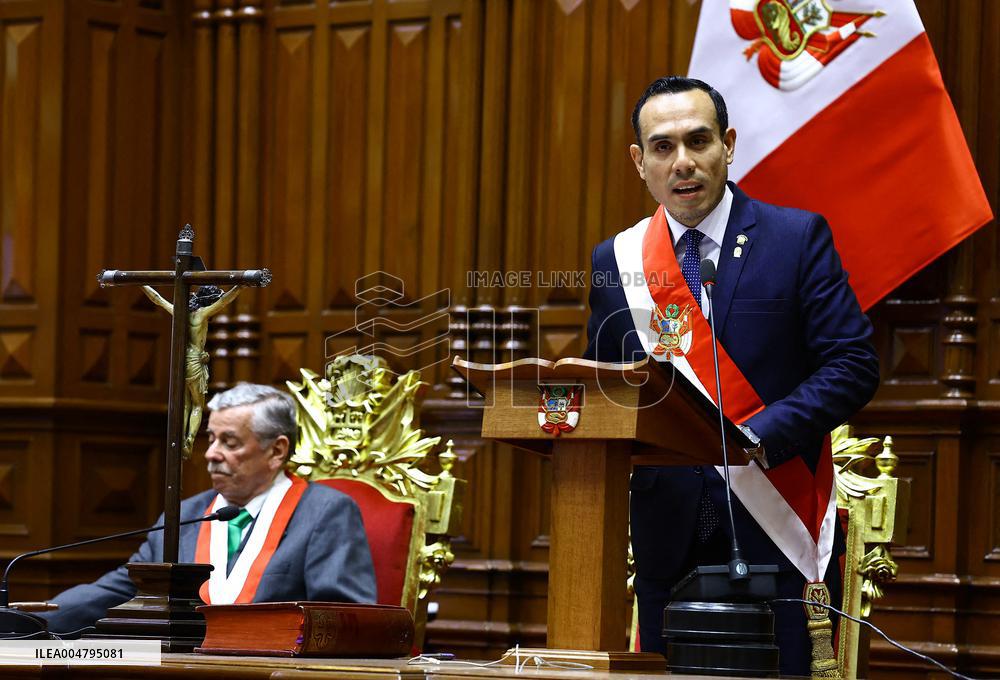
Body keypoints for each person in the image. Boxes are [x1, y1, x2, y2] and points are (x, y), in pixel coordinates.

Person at [584, 76, 879, 675]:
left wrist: (759, 437)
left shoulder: (796, 239)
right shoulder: (616, 260)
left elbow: (853, 363)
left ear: (729, 144)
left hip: (776, 518)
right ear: (640, 163)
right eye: (662, 148)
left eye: (699, 141)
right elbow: (608, 390)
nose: (683, 162)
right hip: (667, 533)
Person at [42, 383, 377, 634]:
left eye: (229, 443)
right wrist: (27, 619)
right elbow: (115, 593)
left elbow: (345, 622)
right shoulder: (185, 516)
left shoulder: (325, 513)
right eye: (211, 438)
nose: (211, 453)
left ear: (276, 451)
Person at [142, 284, 243, 460]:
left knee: (185, 403)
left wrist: (142, 284)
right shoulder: (202, 315)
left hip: (181, 360)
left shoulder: (180, 313)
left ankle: (180, 438)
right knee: (197, 404)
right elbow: (225, 300)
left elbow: (156, 299)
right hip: (195, 360)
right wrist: (240, 286)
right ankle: (189, 438)